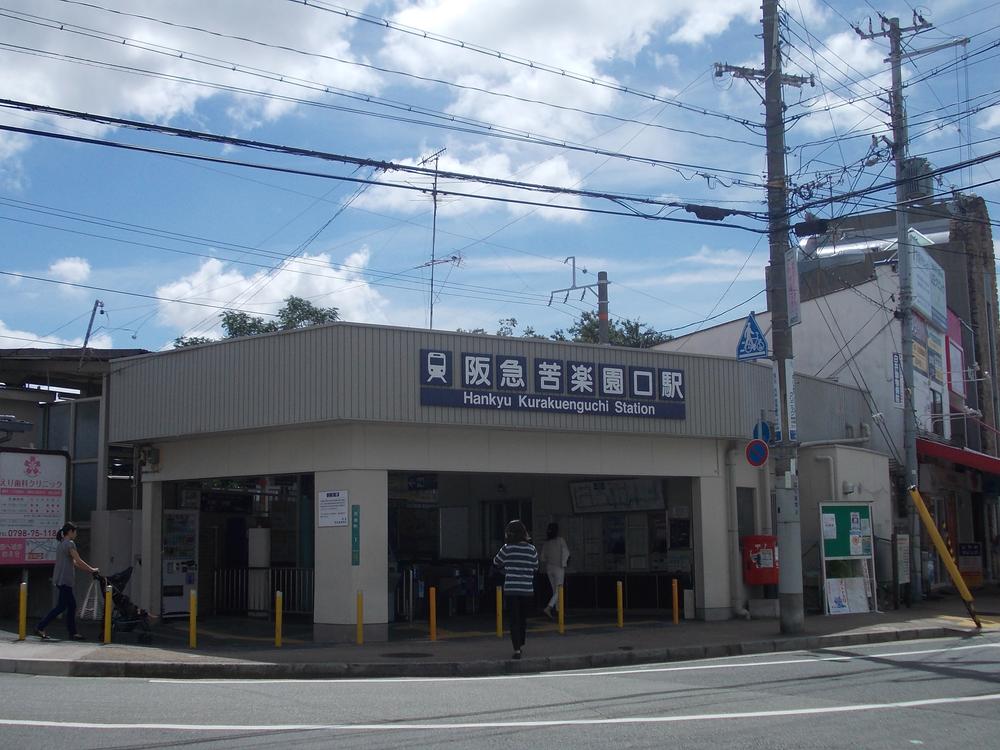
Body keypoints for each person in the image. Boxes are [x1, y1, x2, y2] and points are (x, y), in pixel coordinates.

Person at [35, 522, 98, 641]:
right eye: (75, 532)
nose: (76, 534)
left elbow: (74, 563)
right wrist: (92, 569)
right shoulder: (70, 544)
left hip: (60, 580)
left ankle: (70, 632)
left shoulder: (61, 544)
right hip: (65, 580)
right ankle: (41, 627)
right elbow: (78, 560)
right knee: (63, 607)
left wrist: (89, 570)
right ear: (70, 532)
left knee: (67, 606)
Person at [493, 519, 538, 660]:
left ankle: (517, 648)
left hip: (511, 589)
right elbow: (535, 567)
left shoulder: (507, 548)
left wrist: (506, 569)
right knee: (523, 619)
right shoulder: (532, 550)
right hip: (527, 590)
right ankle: (521, 642)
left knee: (514, 619)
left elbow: (496, 562)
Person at [539, 522, 571, 620]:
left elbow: (542, 558)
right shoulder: (560, 540)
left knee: (555, 590)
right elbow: (566, 552)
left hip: (549, 568)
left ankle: (559, 610)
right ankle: (549, 607)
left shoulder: (546, 543)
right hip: (559, 568)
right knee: (559, 590)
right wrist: (564, 563)